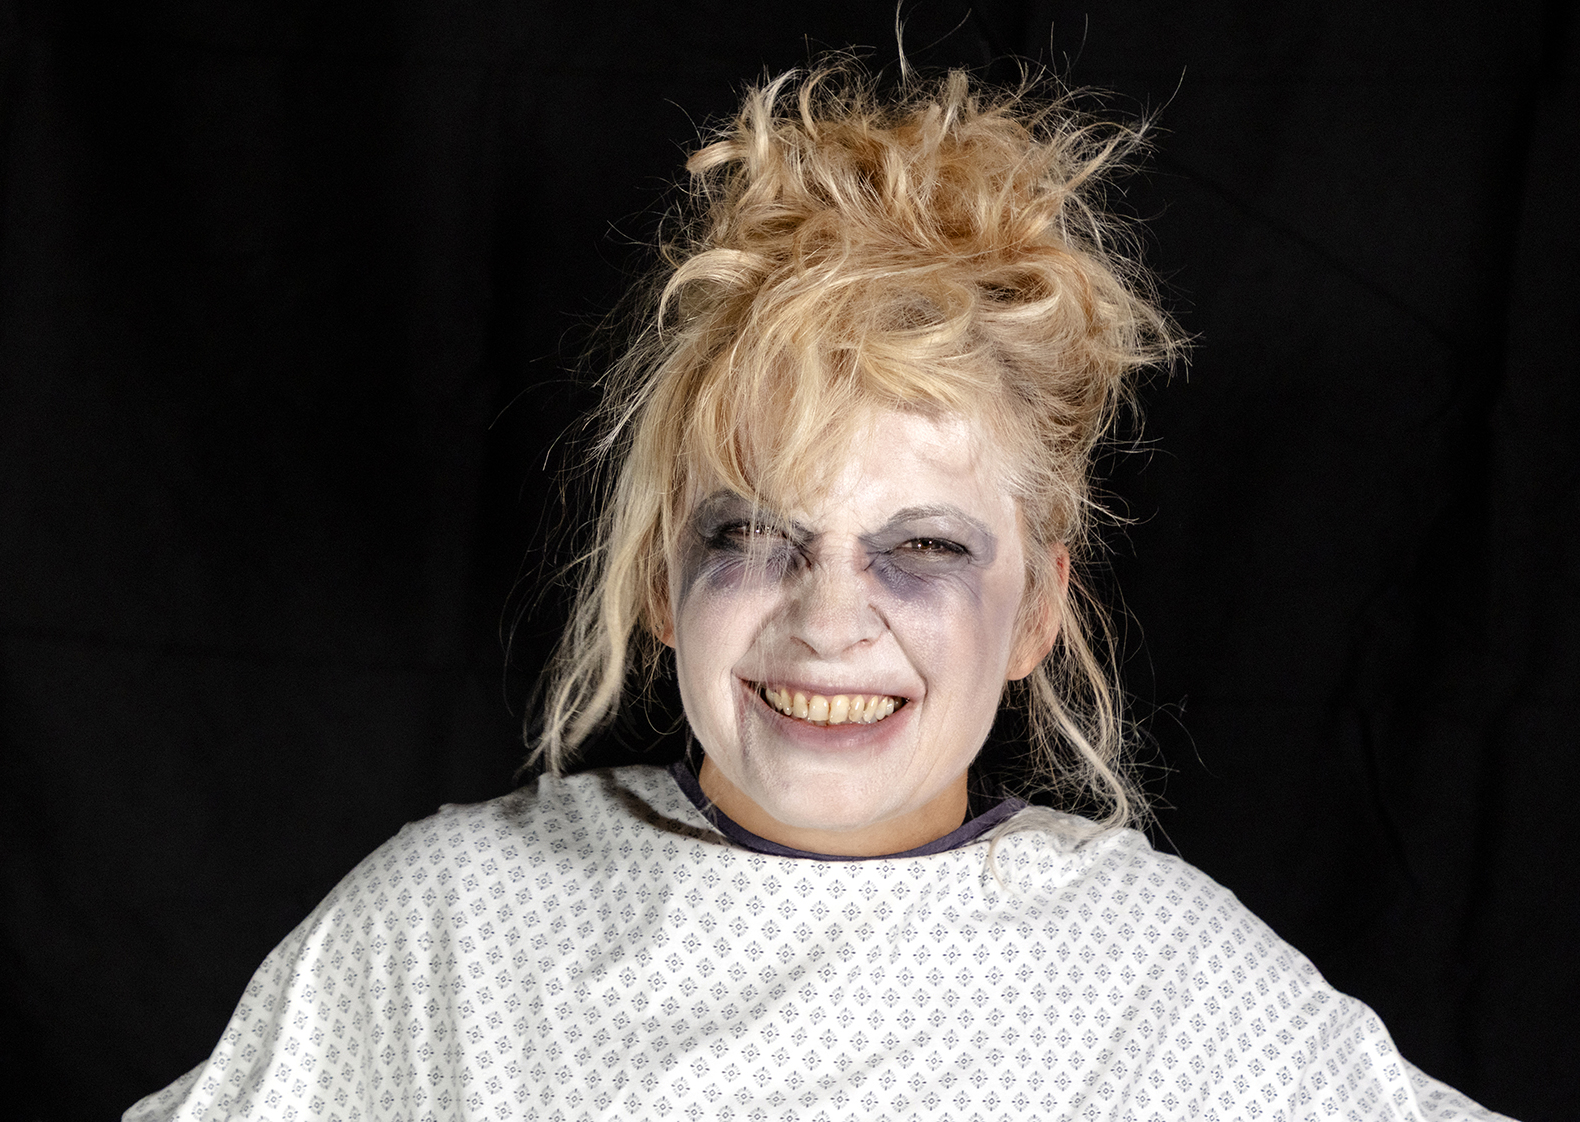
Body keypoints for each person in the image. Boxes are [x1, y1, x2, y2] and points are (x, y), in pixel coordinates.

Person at [125, 61, 1512, 1121]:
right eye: (754, 534)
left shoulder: (1175, 984)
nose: (830, 620)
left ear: (1036, 610)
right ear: (662, 579)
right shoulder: (447, 927)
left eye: (923, 549)